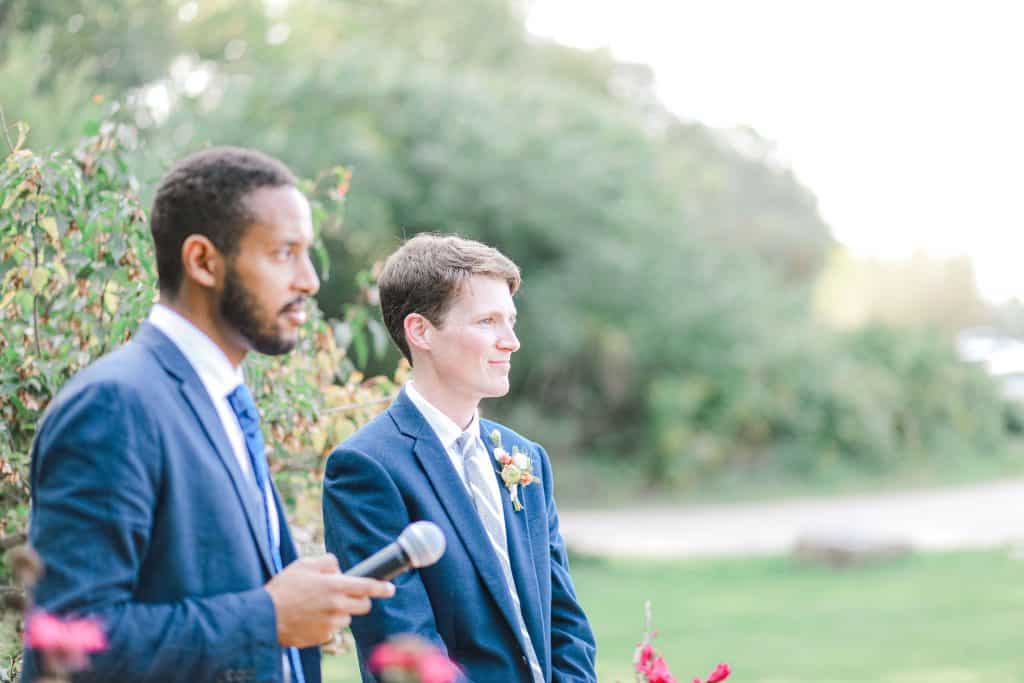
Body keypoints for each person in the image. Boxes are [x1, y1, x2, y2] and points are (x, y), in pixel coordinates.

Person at [23, 147, 394, 682]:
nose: (310, 280)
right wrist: (265, 616)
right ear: (202, 261)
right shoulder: (115, 406)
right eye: (284, 253)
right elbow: (66, 644)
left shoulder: (225, 398)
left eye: (306, 253)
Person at [323, 234, 597, 682]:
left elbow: (565, 623)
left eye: (510, 321)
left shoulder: (525, 458)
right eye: (488, 321)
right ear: (421, 331)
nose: (510, 341)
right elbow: (406, 647)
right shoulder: (366, 469)